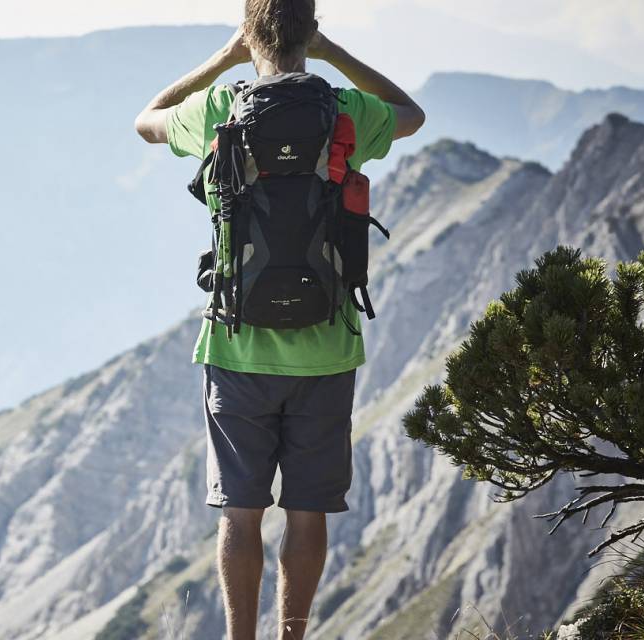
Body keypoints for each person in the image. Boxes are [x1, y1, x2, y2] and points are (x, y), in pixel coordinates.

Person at [132, 1, 425, 638]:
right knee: (308, 511)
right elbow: (412, 114)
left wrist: (225, 57)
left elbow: (144, 121)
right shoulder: (344, 111)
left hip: (237, 347)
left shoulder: (220, 109)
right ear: (308, 28)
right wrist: (334, 55)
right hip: (327, 348)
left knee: (240, 514)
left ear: (252, 29)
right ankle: (293, 635)